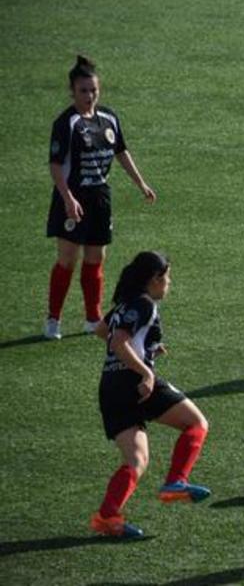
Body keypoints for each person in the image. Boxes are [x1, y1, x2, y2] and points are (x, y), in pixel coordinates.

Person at [89, 251, 210, 539]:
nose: (169, 283)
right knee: (196, 424)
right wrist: (145, 371)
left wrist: (145, 350)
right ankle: (176, 481)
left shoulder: (124, 304)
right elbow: (118, 342)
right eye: (167, 277)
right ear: (155, 279)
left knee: (136, 460)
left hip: (110, 387)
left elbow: (103, 330)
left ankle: (107, 517)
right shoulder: (143, 303)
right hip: (134, 383)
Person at [44, 55, 156, 340]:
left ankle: (92, 318)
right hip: (72, 198)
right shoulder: (66, 123)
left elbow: (121, 152)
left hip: (100, 199)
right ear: (72, 91)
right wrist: (68, 199)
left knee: (95, 258)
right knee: (67, 259)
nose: (89, 96)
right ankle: (53, 320)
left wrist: (141, 183)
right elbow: (55, 165)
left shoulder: (109, 118)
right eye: (83, 90)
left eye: (93, 90)